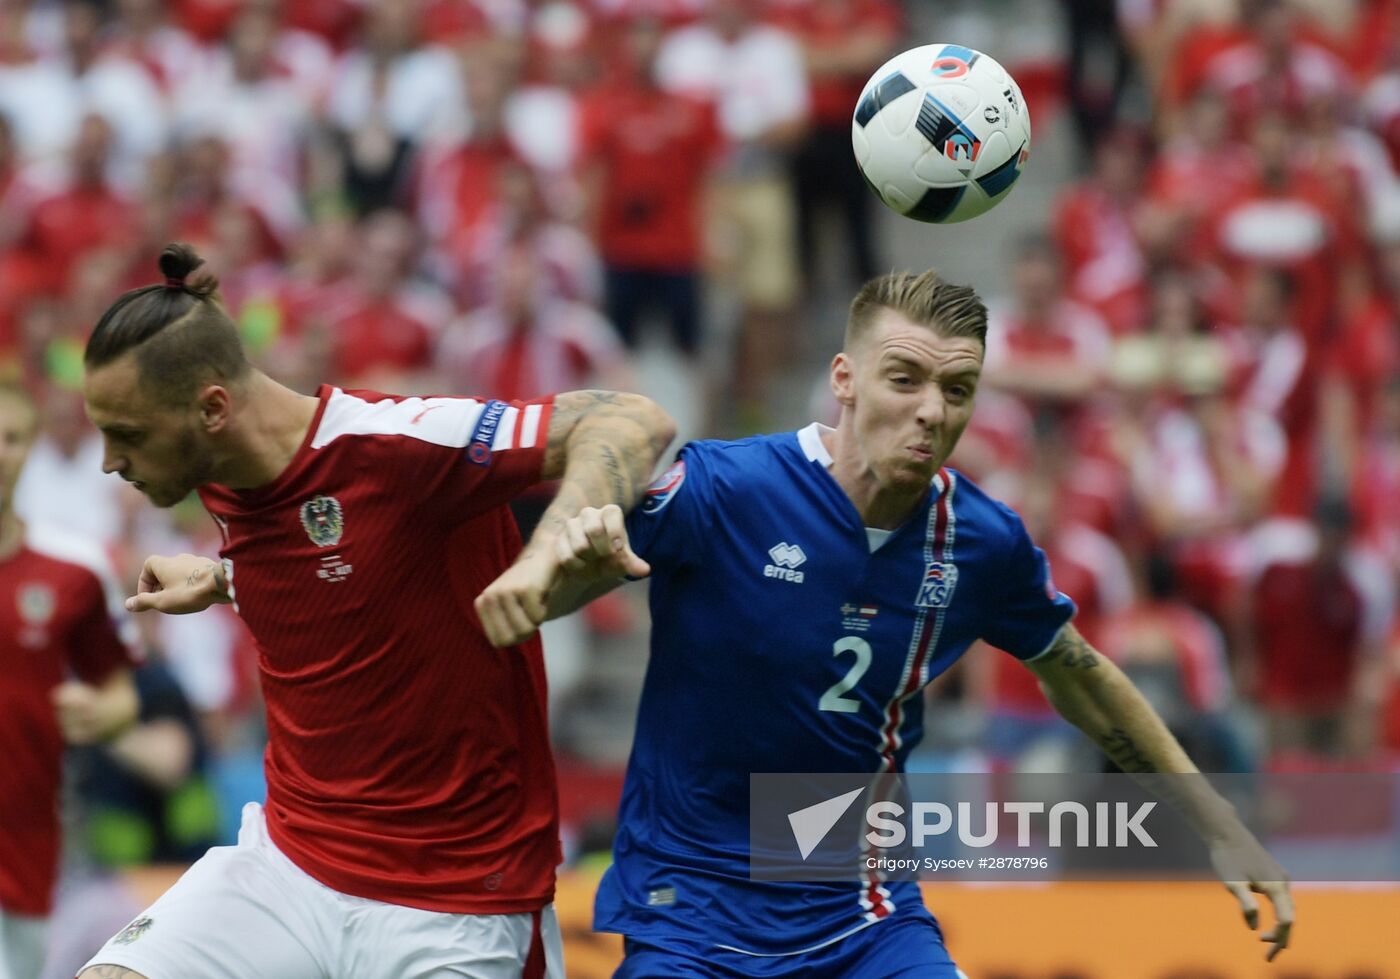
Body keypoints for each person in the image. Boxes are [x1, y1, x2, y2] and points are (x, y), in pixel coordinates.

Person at [479, 271, 1295, 977]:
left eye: (958, 390)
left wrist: (1219, 826)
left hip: (861, 912)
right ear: (844, 378)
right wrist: (562, 563)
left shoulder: (982, 540)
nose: (932, 411)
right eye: (904, 378)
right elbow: (543, 597)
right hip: (689, 905)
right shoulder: (726, 488)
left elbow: (1080, 677)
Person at [75, 242, 675, 979]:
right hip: (289, 866)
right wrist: (230, 576)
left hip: (455, 901)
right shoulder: (222, 456)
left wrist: (545, 550)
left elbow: (631, 419)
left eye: (126, 435)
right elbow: (335, 550)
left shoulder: (403, 444)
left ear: (213, 409)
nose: (110, 459)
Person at [0, 381, 140, 979]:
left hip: (27, 841)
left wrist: (101, 713)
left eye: (10, 437)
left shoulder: (74, 571)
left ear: (31, 448)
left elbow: (119, 695)